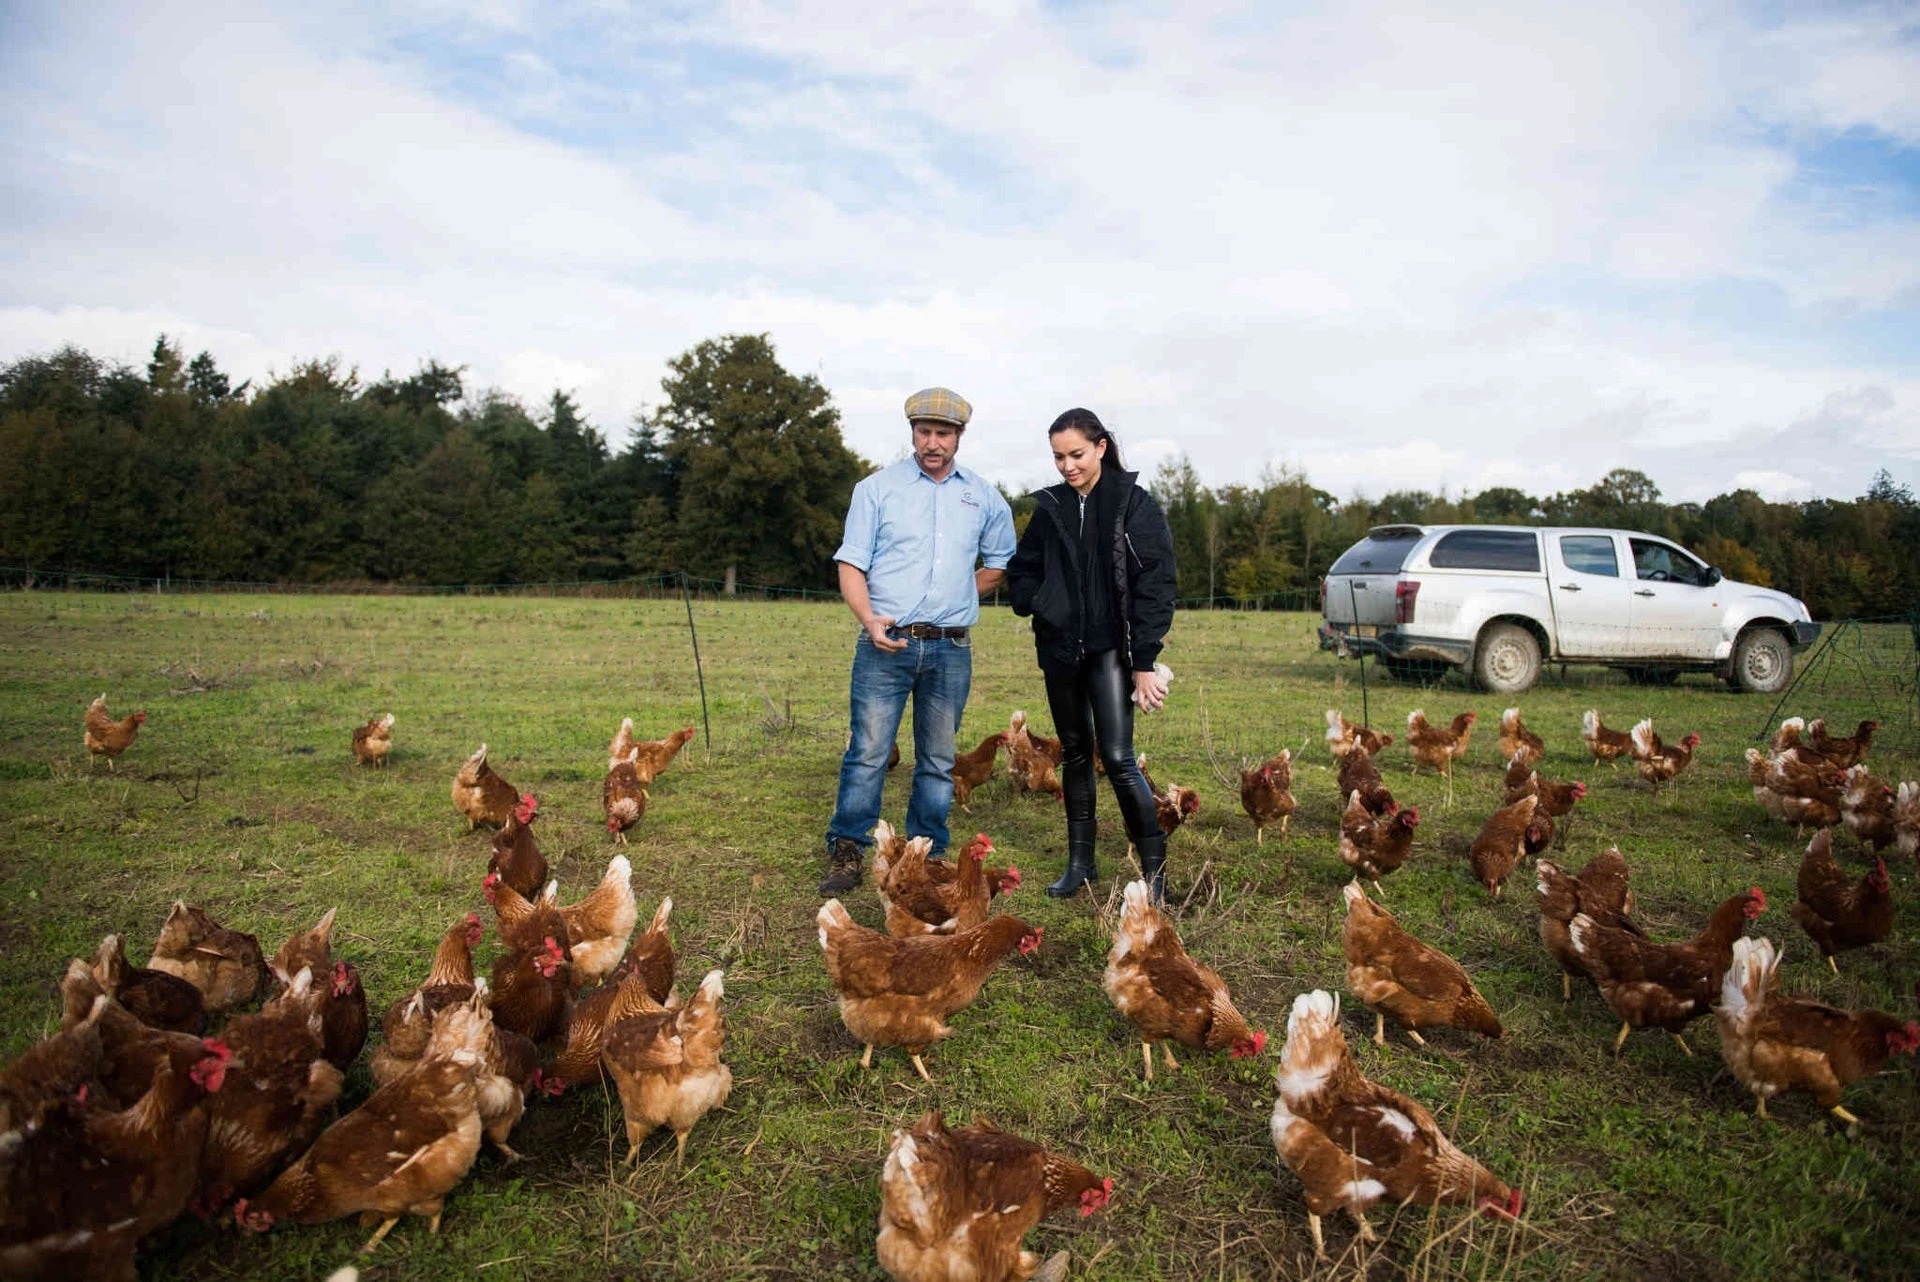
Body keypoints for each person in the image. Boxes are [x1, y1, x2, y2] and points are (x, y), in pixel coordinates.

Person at [819, 387, 1017, 895]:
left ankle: (926, 852)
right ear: (912, 433)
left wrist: (955, 598)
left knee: (937, 757)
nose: (933, 443)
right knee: (868, 751)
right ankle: (848, 846)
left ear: (959, 437)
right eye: (924, 432)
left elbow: (999, 564)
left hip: (951, 649)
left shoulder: (982, 497)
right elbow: (850, 564)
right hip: (886, 644)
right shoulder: (876, 490)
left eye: (943, 434)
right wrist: (869, 619)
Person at [1006, 408, 1177, 901]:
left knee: (1120, 759)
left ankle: (1155, 875)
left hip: (1109, 651)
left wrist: (1143, 662)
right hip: (1059, 649)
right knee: (1075, 753)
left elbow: (1157, 584)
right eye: (1058, 457)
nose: (1066, 466)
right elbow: (1024, 569)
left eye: (1076, 454)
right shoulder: (1052, 508)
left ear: (1101, 447)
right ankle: (1080, 864)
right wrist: (1039, 602)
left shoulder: (1132, 504)